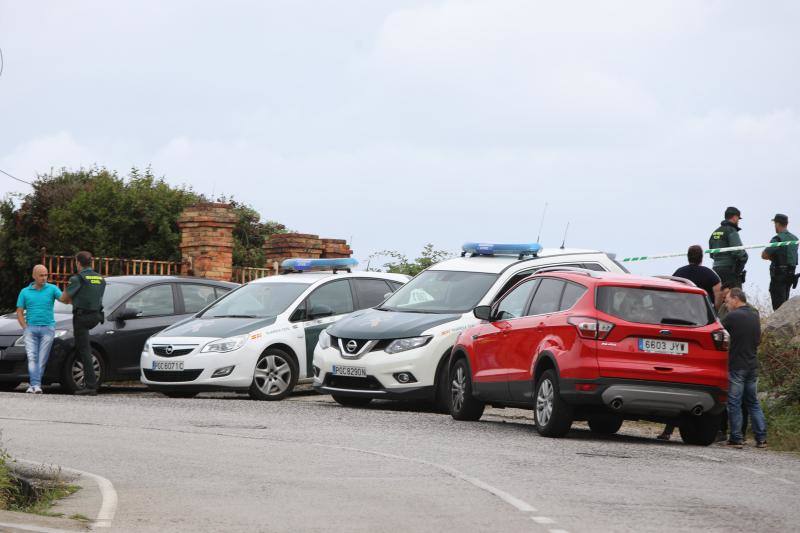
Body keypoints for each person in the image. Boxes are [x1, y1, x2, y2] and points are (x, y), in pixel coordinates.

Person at [657, 246, 722, 440]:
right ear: (702, 258)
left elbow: (668, 292)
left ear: (688, 257)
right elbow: (718, 292)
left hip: (677, 321)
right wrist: (713, 310)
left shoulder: (679, 273)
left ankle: (667, 430)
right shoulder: (710, 274)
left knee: (671, 379)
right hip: (699, 324)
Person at [722, 288, 767, 448]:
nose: (726, 305)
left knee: (734, 402)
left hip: (737, 365)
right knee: (753, 402)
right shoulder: (754, 316)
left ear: (735, 298)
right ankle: (761, 438)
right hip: (752, 365)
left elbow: (717, 332)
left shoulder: (732, 316)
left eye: (727, 301)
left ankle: (736, 437)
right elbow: (758, 340)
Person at [61, 251, 106, 396]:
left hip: (82, 318)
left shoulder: (77, 278)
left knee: (84, 351)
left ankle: (91, 386)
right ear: (90, 263)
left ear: (78, 263)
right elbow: (92, 296)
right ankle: (90, 381)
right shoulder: (100, 278)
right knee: (86, 349)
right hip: (96, 316)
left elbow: (64, 298)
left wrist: (68, 297)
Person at [15, 265, 64, 393]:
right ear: (34, 276)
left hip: (48, 328)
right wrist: (25, 327)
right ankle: (35, 385)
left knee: (42, 358)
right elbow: (19, 311)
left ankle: (35, 385)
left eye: (46, 275)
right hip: (30, 328)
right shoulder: (25, 292)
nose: (44, 278)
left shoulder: (52, 289)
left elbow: (65, 299)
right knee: (32, 357)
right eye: (41, 275)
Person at [761, 213, 798, 311]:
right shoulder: (795, 239)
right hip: (790, 275)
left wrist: (774, 259)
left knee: (778, 308)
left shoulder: (778, 239)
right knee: (785, 304)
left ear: (777, 224)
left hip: (779, 276)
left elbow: (764, 255)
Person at [709, 207, 748, 288]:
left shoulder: (715, 232)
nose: (738, 221)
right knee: (734, 298)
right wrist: (744, 258)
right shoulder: (731, 231)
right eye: (738, 218)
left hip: (716, 270)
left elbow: (711, 254)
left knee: (720, 297)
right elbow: (738, 252)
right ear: (734, 217)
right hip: (730, 271)